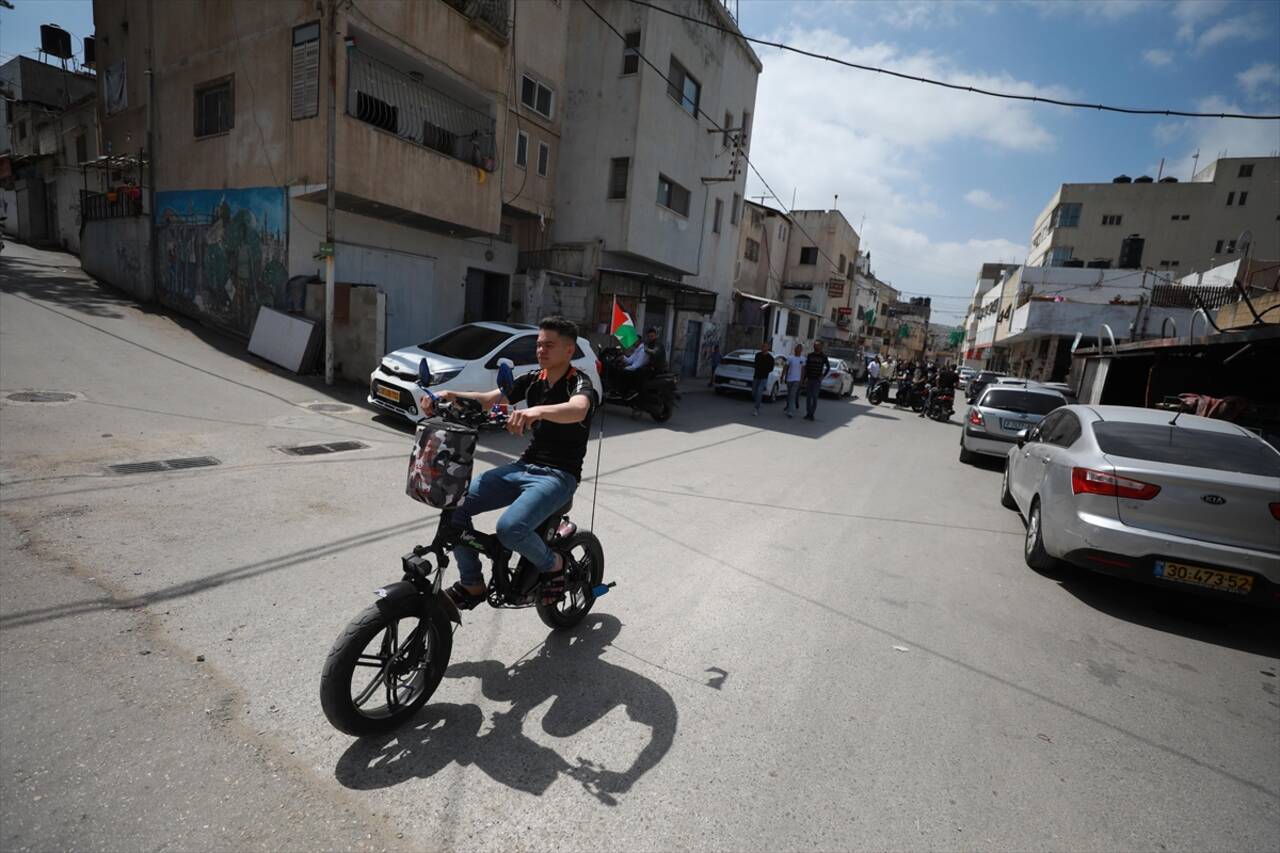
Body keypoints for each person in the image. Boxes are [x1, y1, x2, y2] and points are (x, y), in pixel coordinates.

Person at [421, 316, 598, 609]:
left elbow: (578, 409)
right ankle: (472, 584)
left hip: (559, 476)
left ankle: (552, 563)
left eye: (549, 345)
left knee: (510, 528)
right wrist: (450, 395)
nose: (541, 350)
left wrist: (535, 412)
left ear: (568, 351)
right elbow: (488, 398)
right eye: (539, 344)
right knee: (455, 506)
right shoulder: (532, 380)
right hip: (523, 466)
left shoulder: (579, 381)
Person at [802, 341, 826, 421]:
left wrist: (823, 376)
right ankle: (808, 413)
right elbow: (807, 367)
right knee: (808, 397)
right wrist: (804, 378)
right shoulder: (810, 355)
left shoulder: (823, 356)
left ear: (821, 347)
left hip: (817, 380)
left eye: (818, 345)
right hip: (809, 378)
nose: (816, 346)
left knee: (814, 397)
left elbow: (828, 367)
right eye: (815, 345)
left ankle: (812, 414)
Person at [751, 340, 774, 416]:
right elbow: (755, 364)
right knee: (754, 393)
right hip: (756, 376)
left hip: (764, 377)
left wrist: (765, 371)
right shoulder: (757, 355)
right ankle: (759, 403)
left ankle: (756, 409)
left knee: (759, 392)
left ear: (768, 348)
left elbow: (771, 368)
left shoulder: (770, 358)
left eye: (765, 346)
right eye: (762, 346)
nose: (763, 347)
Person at [783, 343, 805, 418]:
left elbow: (803, 370)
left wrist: (802, 380)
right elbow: (785, 367)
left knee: (792, 395)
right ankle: (788, 406)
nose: (798, 350)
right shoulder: (790, 358)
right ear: (795, 349)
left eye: (799, 348)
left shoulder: (803, 359)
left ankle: (790, 412)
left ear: (801, 350)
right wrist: (783, 376)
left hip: (797, 380)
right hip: (789, 379)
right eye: (797, 348)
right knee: (789, 395)